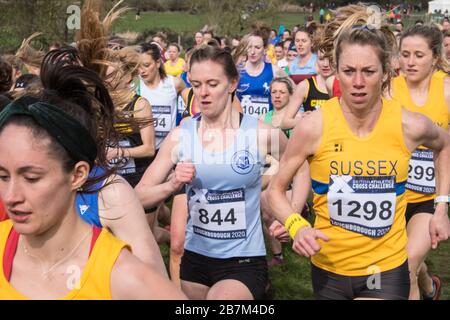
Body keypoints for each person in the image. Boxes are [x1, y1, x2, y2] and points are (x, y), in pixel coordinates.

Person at [268, 26, 450, 300]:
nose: (358, 82)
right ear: (337, 72)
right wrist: (297, 226)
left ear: (386, 72)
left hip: (384, 269)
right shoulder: (313, 127)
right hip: (329, 268)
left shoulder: (408, 124)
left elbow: (446, 144)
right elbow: (275, 190)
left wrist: (441, 205)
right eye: (349, 71)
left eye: (369, 71)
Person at [0, 50, 186, 300]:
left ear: (78, 174)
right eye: (3, 176)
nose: (11, 196)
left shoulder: (120, 271)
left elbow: (156, 282)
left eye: (32, 178)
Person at [136, 45, 288, 299]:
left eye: (212, 84)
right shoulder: (181, 136)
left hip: (243, 259)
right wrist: (171, 185)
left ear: (232, 84)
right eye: (196, 85)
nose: (203, 93)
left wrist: (288, 209)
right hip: (196, 260)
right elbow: (139, 196)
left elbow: (298, 163)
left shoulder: (260, 133)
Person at [391, 24, 450, 300]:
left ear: (435, 57)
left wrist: (442, 206)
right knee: (408, 262)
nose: (410, 62)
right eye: (405, 54)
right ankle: (431, 289)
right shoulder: (389, 90)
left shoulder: (447, 90)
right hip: (392, 195)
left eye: (418, 55)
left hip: (429, 197)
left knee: (404, 267)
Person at [137, 42, 185, 244]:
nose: (141, 70)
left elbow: (193, 103)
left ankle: (172, 239)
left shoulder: (174, 84)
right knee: (155, 205)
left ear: (158, 62)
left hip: (165, 155)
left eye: (146, 65)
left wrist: (188, 125)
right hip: (143, 153)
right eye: (138, 66)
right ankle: (174, 231)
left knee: (148, 221)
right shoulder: (135, 85)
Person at [236, 24, 286, 118]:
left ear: (265, 49)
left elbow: (293, 94)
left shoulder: (275, 71)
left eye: (257, 47)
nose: (252, 52)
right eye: (249, 47)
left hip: (267, 126)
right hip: (242, 127)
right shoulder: (237, 72)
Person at [281, 49, 333, 131]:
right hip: (312, 140)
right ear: (316, 60)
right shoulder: (305, 86)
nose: (325, 64)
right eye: (321, 59)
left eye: (330, 59)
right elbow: (285, 123)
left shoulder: (344, 85)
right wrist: (303, 119)